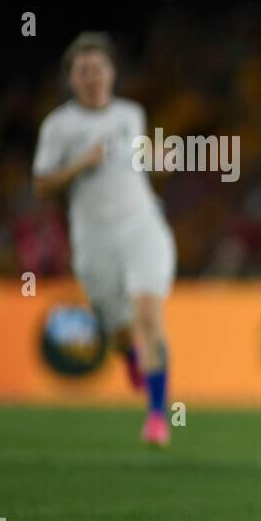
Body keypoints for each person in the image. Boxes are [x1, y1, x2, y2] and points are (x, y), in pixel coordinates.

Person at [33, 32, 177, 447]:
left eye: (98, 68)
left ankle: (157, 416)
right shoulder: (59, 126)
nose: (92, 77)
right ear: (71, 79)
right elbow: (41, 185)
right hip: (95, 242)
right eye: (83, 70)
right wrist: (80, 164)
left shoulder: (132, 114)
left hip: (142, 229)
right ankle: (130, 355)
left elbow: (137, 162)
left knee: (148, 314)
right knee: (122, 331)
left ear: (112, 73)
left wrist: (159, 159)